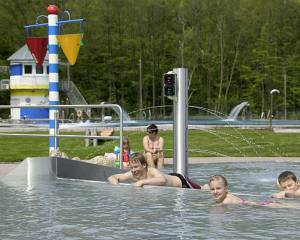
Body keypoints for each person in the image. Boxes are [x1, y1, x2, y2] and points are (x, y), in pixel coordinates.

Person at [107, 152, 203, 189]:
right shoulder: (132, 173)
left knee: (202, 190)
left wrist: (142, 182)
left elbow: (162, 180)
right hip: (171, 186)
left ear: (144, 165)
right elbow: (112, 177)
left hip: (181, 182)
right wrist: (117, 187)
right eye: (131, 167)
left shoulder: (151, 171)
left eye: (136, 167)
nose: (133, 170)